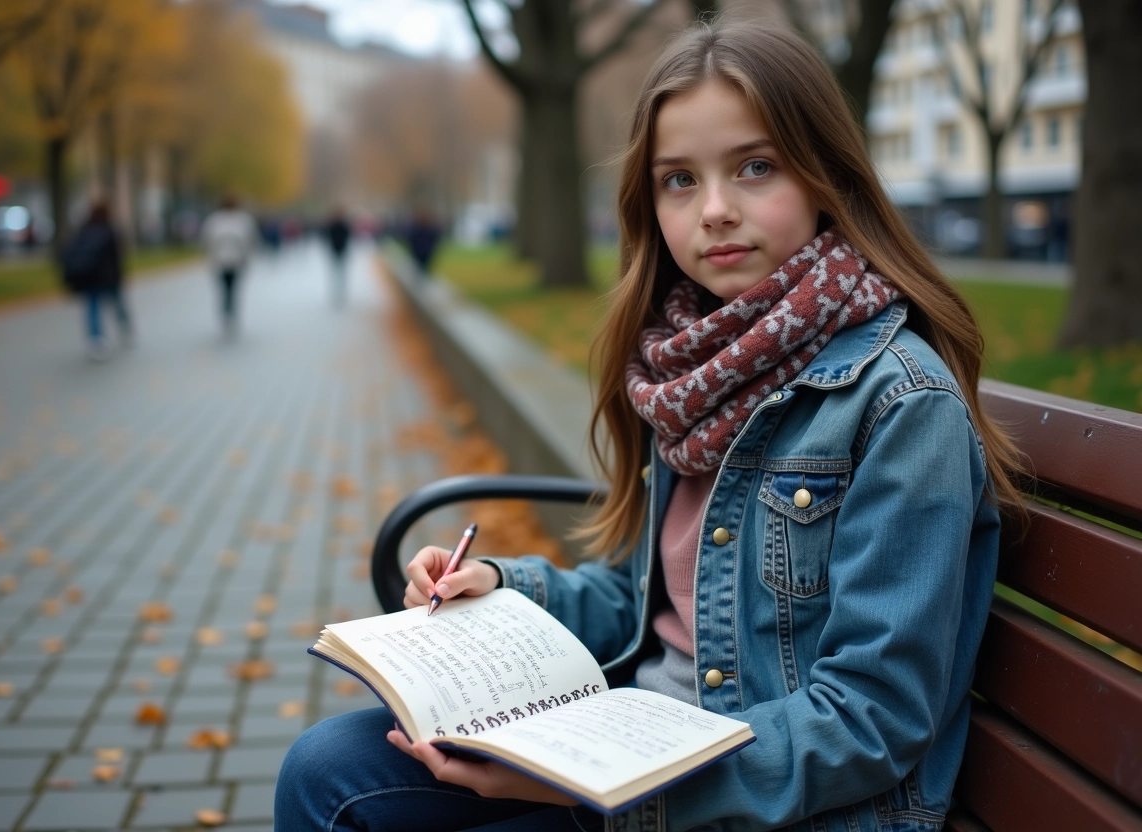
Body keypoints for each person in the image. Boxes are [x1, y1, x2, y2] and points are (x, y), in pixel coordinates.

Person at [277, 17, 1024, 832]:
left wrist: (601, 786)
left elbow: (871, 720)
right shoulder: (690, 370)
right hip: (626, 754)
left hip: (751, 803)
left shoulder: (900, 405)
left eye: (756, 166)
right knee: (327, 768)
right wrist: (499, 587)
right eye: (679, 180)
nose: (715, 210)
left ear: (825, 175)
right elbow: (645, 601)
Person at [62, 197, 131, 361]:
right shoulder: (110, 228)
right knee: (117, 303)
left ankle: (95, 339)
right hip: (108, 276)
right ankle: (125, 329)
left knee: (92, 307)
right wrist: (120, 275)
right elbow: (117, 256)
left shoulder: (83, 228)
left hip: (89, 276)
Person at [200, 195, 257, 334]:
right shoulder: (243, 220)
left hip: (223, 261)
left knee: (226, 288)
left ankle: (227, 309)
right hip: (232, 260)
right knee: (231, 288)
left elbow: (206, 240)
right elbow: (250, 240)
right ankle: (230, 310)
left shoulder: (214, 220)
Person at [322, 208, 352, 306]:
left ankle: (340, 293)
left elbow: (347, 238)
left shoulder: (342, 226)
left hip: (341, 251)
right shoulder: (335, 226)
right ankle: (337, 293)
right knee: (336, 273)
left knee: (341, 273)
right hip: (335, 251)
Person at [406, 206, 442, 276]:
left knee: (423, 271)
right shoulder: (418, 230)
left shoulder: (428, 230)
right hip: (420, 254)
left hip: (425, 254)